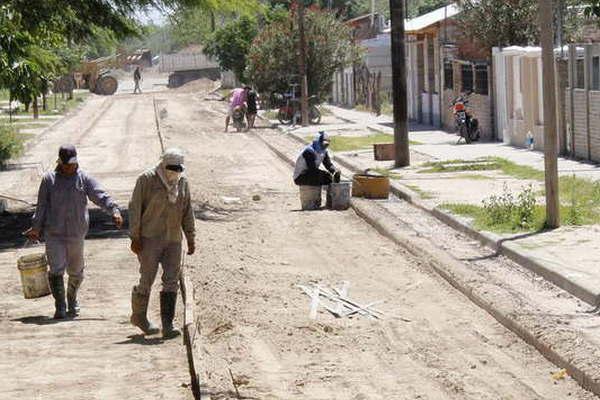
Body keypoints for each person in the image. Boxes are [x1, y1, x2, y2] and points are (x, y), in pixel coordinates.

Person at [25, 145, 123, 319]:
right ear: (60, 162)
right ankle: (60, 305)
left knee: (76, 270)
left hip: (77, 233)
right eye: (68, 164)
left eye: (74, 163)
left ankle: (72, 298)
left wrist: (114, 210)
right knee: (56, 269)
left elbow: (100, 195)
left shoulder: (83, 178)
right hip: (54, 233)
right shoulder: (49, 180)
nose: (72, 167)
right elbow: (41, 207)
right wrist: (36, 227)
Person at [128, 148, 196, 339]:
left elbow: (187, 211)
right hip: (150, 238)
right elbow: (134, 209)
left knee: (171, 280)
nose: (175, 171)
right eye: (171, 167)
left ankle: (168, 323)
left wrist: (190, 237)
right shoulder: (146, 180)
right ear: (163, 164)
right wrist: (135, 236)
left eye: (178, 168)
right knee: (147, 278)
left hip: (173, 239)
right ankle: (139, 316)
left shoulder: (182, 183)